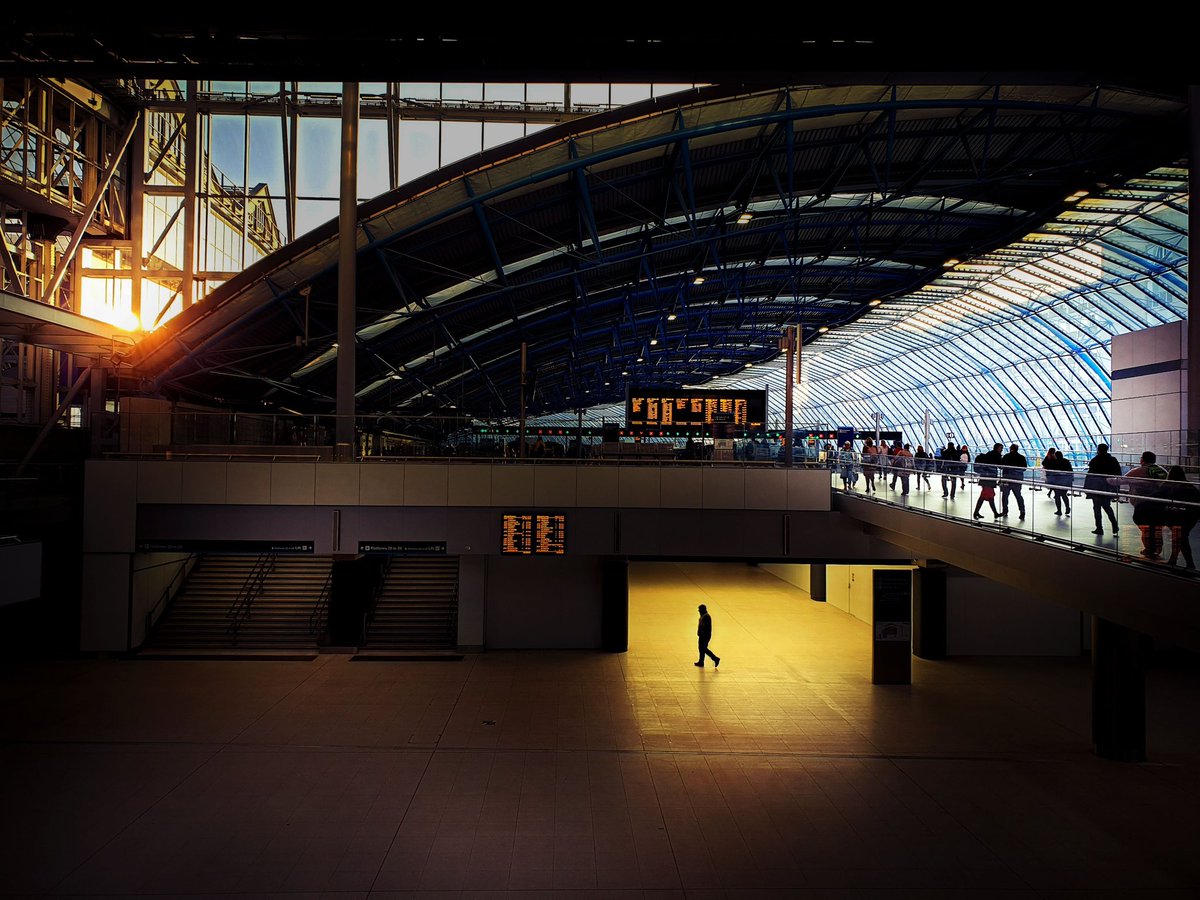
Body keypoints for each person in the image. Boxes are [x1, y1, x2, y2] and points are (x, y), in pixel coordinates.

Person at [1119, 450, 1169, 558]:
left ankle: (1149, 549)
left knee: (1145, 527)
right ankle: (1158, 549)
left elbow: (1121, 480)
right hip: (1160, 503)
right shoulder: (1161, 470)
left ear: (1142, 459)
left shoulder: (1139, 470)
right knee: (1157, 527)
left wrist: (1106, 480)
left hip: (1143, 504)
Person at [1158, 466, 1199, 569]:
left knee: (1181, 538)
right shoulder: (1189, 486)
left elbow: (1159, 497)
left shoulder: (1167, 486)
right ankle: (1179, 561)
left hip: (1175, 517)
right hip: (1190, 517)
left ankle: (1186, 563)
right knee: (1181, 538)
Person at [1084, 443, 1122, 536]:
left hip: (1096, 487)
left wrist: (1087, 488)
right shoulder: (1113, 460)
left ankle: (1099, 528)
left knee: (1097, 508)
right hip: (1108, 487)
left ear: (1098, 450)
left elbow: (1090, 475)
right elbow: (1118, 474)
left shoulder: (1095, 460)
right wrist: (1117, 489)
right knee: (1107, 506)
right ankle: (1114, 525)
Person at [973, 444, 1003, 519]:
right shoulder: (996, 455)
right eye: (1001, 448)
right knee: (988, 496)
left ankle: (977, 512)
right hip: (989, 478)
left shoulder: (989, 454)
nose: (1001, 450)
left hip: (985, 477)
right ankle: (994, 513)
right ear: (998, 448)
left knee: (986, 496)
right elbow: (1000, 466)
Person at [999, 443, 1028, 519]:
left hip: (1006, 479)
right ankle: (1022, 511)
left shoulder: (1006, 456)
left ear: (1010, 449)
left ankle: (1005, 511)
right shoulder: (1021, 457)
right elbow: (1024, 468)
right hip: (1017, 479)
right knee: (1018, 496)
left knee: (1005, 496)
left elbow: (1001, 467)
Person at [1043, 449, 1073, 516]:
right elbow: (1071, 471)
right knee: (1064, 495)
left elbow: (1047, 467)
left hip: (1057, 481)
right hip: (1065, 481)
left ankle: (1059, 510)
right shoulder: (1066, 461)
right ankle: (1067, 507)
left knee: (1057, 496)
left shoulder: (1054, 462)